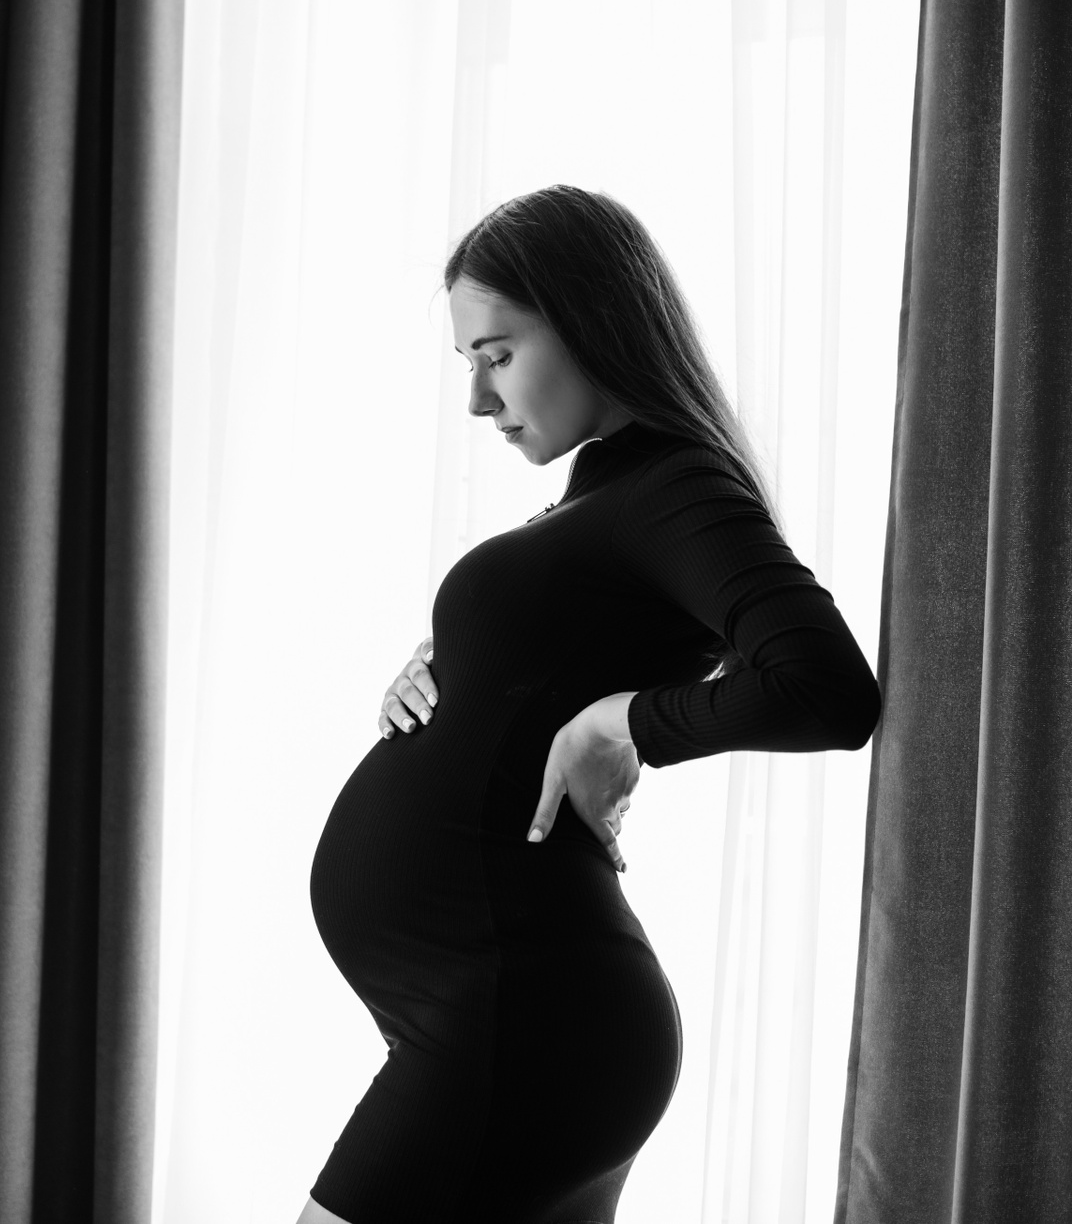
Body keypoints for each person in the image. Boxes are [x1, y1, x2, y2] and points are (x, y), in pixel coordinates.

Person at [300, 186, 881, 1224]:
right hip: (509, 1014)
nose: (479, 401)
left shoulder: (676, 486)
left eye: (496, 355)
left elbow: (826, 689)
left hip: (519, 1016)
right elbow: (549, 669)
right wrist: (453, 671)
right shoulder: (612, 491)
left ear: (590, 319)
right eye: (468, 363)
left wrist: (627, 721)